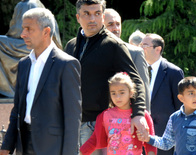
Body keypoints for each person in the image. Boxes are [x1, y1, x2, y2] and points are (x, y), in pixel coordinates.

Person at [64, 0, 147, 154]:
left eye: (97, 14)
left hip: (98, 125)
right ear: (78, 17)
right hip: (71, 123)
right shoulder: (71, 45)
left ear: (102, 16)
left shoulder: (113, 45)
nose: (92, 19)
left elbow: (136, 81)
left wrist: (138, 113)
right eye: (86, 14)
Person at [0, 8, 81, 155]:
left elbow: (72, 117)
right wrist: (6, 145)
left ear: (46, 31)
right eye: (23, 28)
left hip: (52, 147)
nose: (23, 34)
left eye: (28, 29)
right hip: (23, 144)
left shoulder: (66, 64)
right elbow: (17, 109)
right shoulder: (24, 64)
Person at [80, 72, 157, 155]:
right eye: (113, 93)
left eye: (122, 92)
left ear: (131, 93)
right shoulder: (104, 116)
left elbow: (150, 142)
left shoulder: (142, 115)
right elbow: (94, 140)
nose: (117, 97)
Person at [0, 0, 62, 98]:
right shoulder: (36, 3)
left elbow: (18, 30)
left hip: (32, 44)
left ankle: (10, 91)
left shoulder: (27, 4)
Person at [138, 76, 196, 155]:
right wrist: (148, 138)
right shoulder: (174, 118)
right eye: (191, 93)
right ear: (181, 98)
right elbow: (166, 143)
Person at [141, 33, 184, 155]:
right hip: (141, 133)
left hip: (164, 135)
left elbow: (180, 107)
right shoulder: (138, 70)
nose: (140, 48)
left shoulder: (173, 72)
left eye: (144, 45)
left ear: (158, 49)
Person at [104, 8, 150, 113]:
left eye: (118, 24)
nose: (115, 28)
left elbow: (143, 88)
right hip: (97, 119)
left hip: (127, 119)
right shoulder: (92, 51)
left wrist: (143, 116)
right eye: (110, 24)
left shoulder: (135, 53)